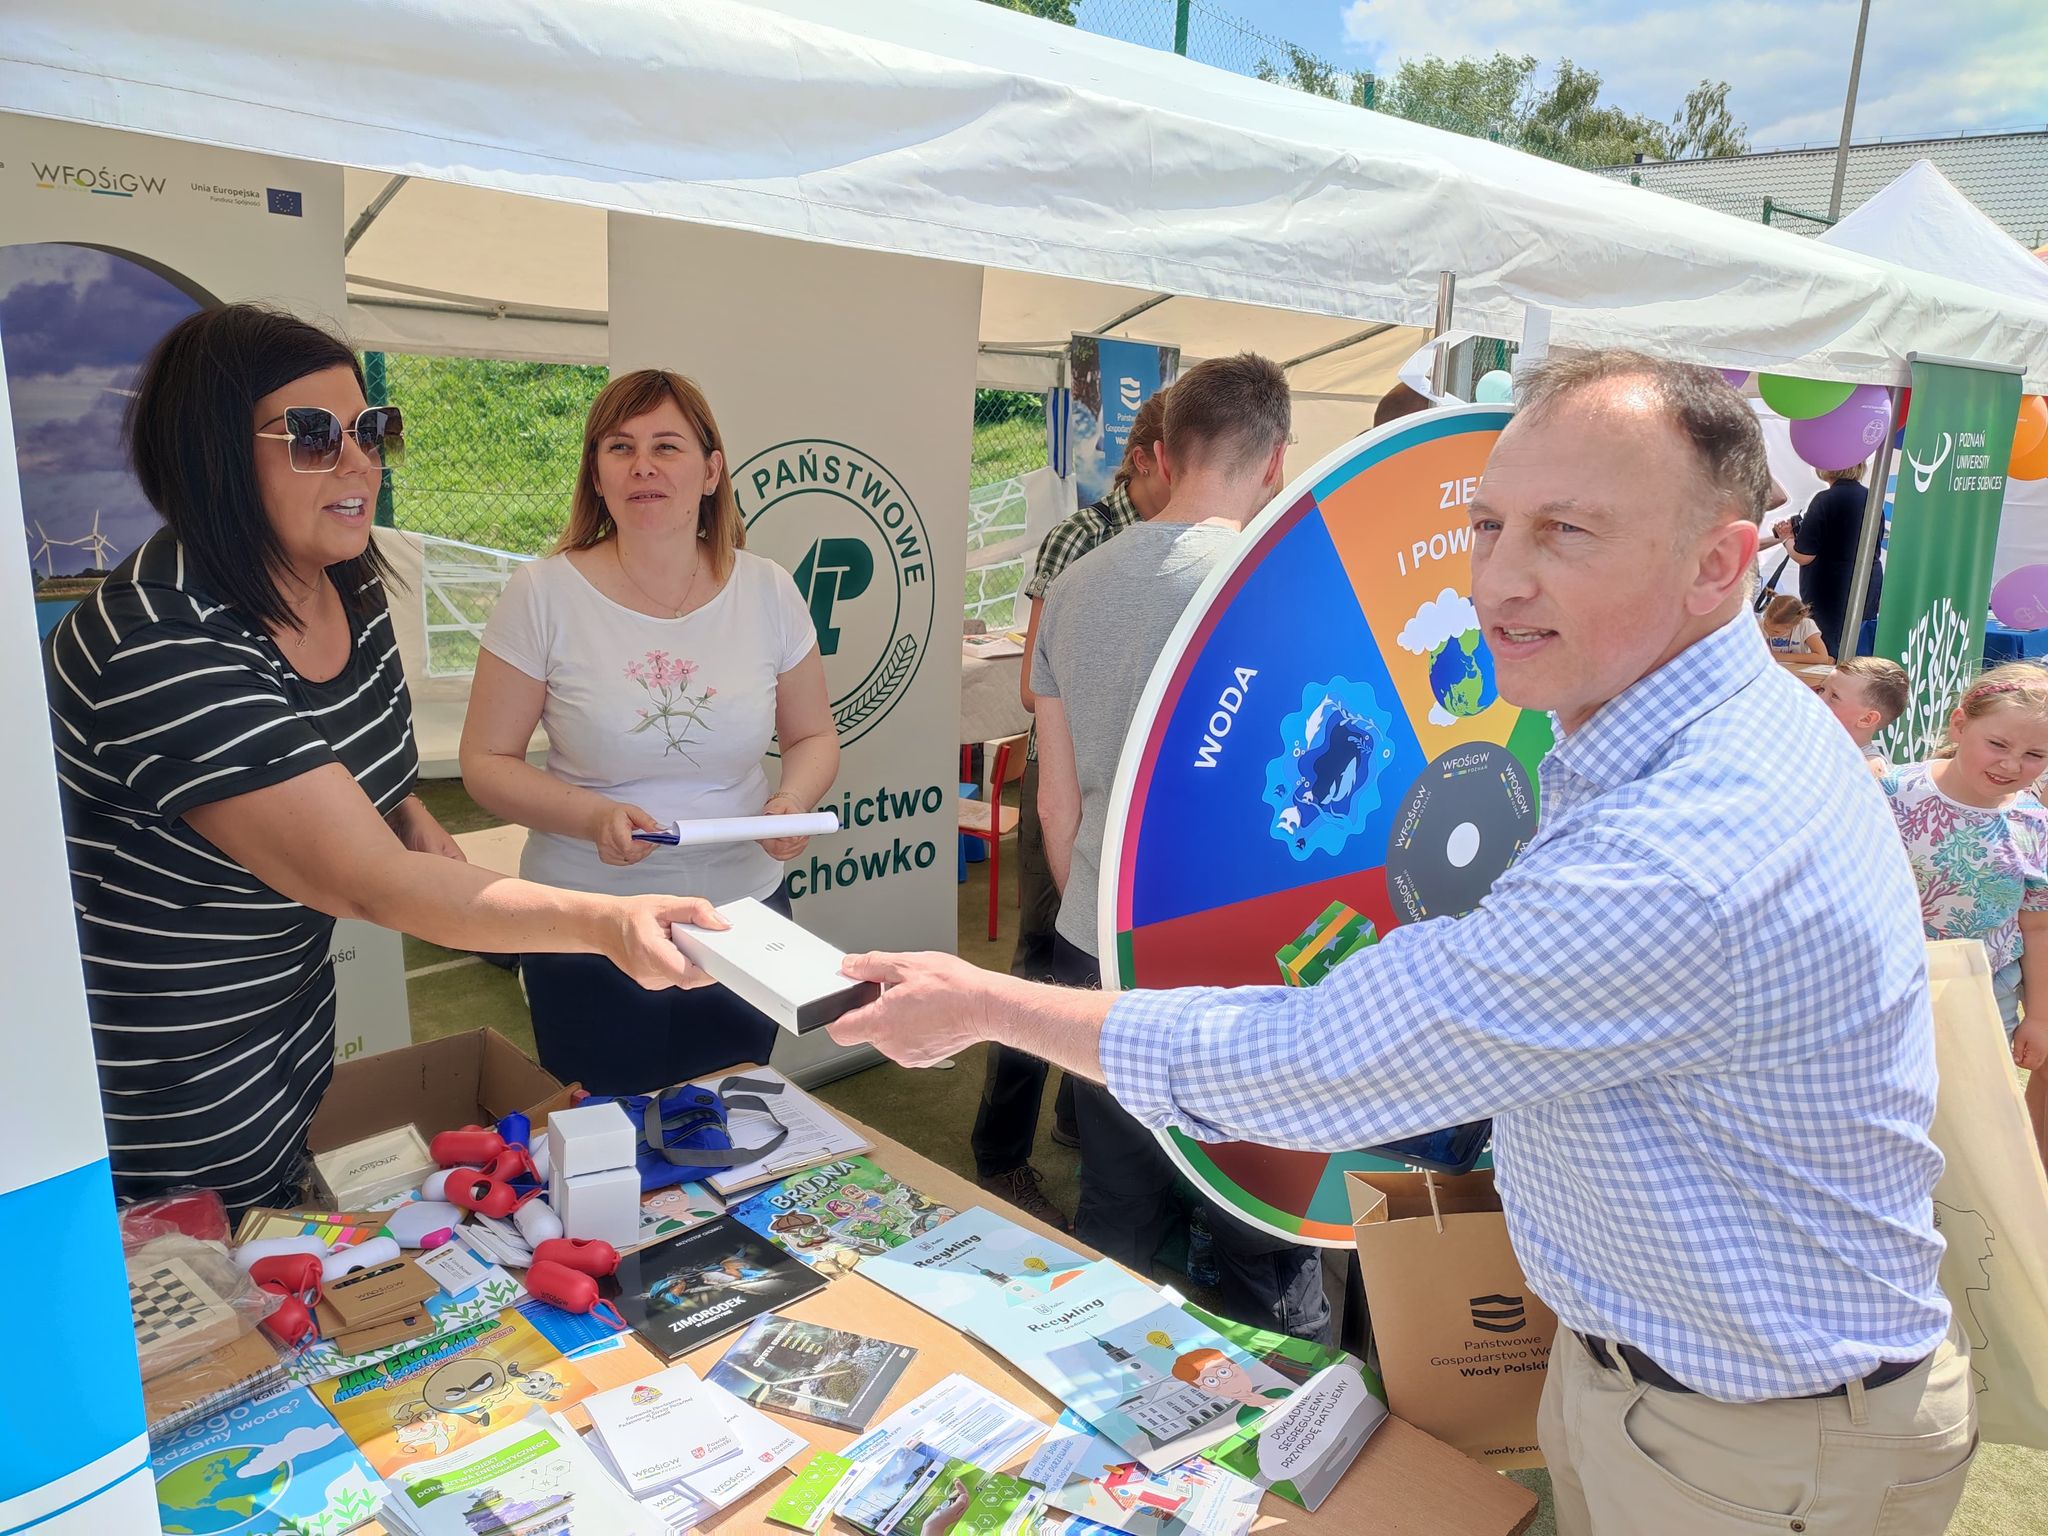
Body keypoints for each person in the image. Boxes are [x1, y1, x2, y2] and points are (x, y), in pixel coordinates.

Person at [830, 351, 1973, 1536]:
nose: (1498, 581)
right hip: (1668, 1385)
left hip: (1755, 1444)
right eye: (1485, 525)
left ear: (1717, 565)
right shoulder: (1727, 718)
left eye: (1565, 532)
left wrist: (981, 1006)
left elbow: (1314, 1065)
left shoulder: (1687, 849)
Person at [46, 305, 725, 1216]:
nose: (360, 461)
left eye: (373, 430)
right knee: (196, 1302)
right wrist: (608, 926)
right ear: (210, 450)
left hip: (286, 1020)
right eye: (315, 436)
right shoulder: (156, 642)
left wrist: (411, 817)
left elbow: (370, 767)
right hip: (160, 1075)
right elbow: (368, 884)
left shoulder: (344, 583)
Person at [1032, 354, 1329, 1343]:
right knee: (1258, 1235)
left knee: (1113, 1216)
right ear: (1273, 458)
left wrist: (1088, 915)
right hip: (1240, 972)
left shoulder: (1070, 586)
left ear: (1170, 446)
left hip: (1098, 948)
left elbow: (1055, 804)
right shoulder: (1277, 589)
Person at [461, 370, 838, 1093]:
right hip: (587, 919)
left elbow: (814, 738)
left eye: (667, 446)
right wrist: (592, 817)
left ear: (711, 470)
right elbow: (485, 761)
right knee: (603, 1134)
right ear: (595, 475)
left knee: (731, 1119)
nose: (643, 466)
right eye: (619, 447)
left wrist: (791, 800)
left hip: (743, 914)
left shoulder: (769, 590)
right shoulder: (542, 595)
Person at [970, 389, 1173, 1228]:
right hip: (1069, 785)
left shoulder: (1176, 544)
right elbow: (1029, 682)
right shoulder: (1083, 536)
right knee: (1045, 969)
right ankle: (999, 1154)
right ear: (1156, 458)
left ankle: (1075, 1117)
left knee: (1106, 968)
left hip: (1129, 793)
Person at [1878, 666, 2048, 1083]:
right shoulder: (1890, 793)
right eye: (1997, 744)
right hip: (1881, 986)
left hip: (1984, 993)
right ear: (1959, 725)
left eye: (2035, 755)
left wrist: (2039, 1018)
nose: (2011, 764)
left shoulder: (2035, 826)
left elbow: (2038, 926)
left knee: (1969, 1109)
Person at [1769, 463, 1881, 660]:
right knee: (1859, 652)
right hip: (1867, 584)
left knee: (1828, 653)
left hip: (1829, 590)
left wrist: (1786, 538)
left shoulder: (1825, 499)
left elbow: (1803, 556)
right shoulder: (1872, 497)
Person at [1820, 656, 1909, 772]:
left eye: (1834, 696)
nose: (1818, 699)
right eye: (1821, 689)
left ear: (1867, 719)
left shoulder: (1867, 769)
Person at [1755, 592, 1827, 660]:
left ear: (1794, 625)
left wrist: (1779, 656)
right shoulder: (1759, 624)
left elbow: (1822, 657)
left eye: (1776, 632)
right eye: (1766, 626)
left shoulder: (1805, 625)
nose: (1768, 632)